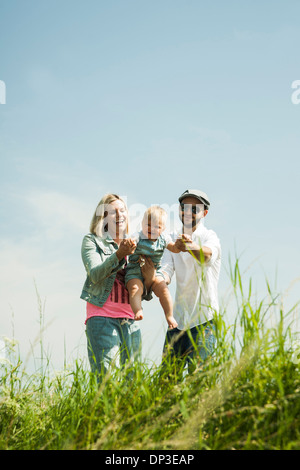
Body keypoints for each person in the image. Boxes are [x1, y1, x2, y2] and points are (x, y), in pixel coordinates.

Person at [81, 193, 146, 379]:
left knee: (132, 383)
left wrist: (149, 274)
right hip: (102, 317)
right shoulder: (92, 241)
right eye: (112, 212)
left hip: (130, 320)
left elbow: (144, 289)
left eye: (122, 210)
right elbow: (95, 274)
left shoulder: (137, 243)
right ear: (103, 218)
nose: (119, 215)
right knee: (107, 381)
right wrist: (119, 254)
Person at [160, 189, 221, 374]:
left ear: (204, 213)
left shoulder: (210, 237)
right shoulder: (171, 239)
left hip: (205, 322)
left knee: (200, 381)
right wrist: (155, 279)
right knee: (166, 382)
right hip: (178, 322)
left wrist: (190, 246)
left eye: (194, 208)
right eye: (184, 207)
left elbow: (207, 255)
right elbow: (165, 271)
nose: (188, 212)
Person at [125, 206, 180, 329]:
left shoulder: (164, 239)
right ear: (142, 224)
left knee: (164, 290)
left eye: (157, 226)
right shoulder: (138, 235)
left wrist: (180, 245)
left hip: (156, 271)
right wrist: (130, 242)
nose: (152, 229)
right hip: (134, 271)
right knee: (135, 288)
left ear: (163, 229)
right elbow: (132, 239)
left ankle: (169, 316)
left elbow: (175, 249)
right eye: (148, 225)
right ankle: (138, 310)